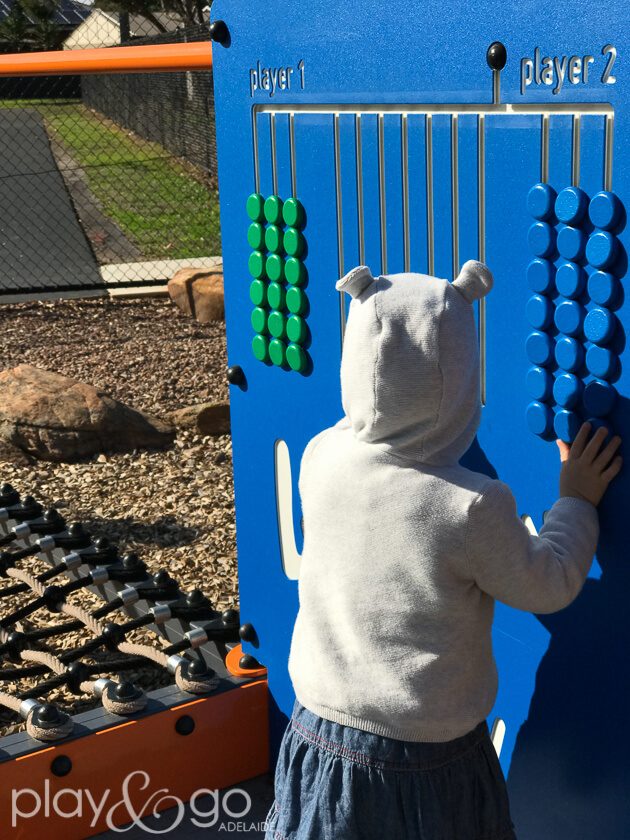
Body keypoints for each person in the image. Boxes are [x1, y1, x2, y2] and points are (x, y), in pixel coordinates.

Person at [264, 261, 622, 840]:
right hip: (425, 758)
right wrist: (576, 502)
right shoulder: (470, 506)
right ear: (459, 379)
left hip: (317, 732)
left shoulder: (321, 456)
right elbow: (548, 583)